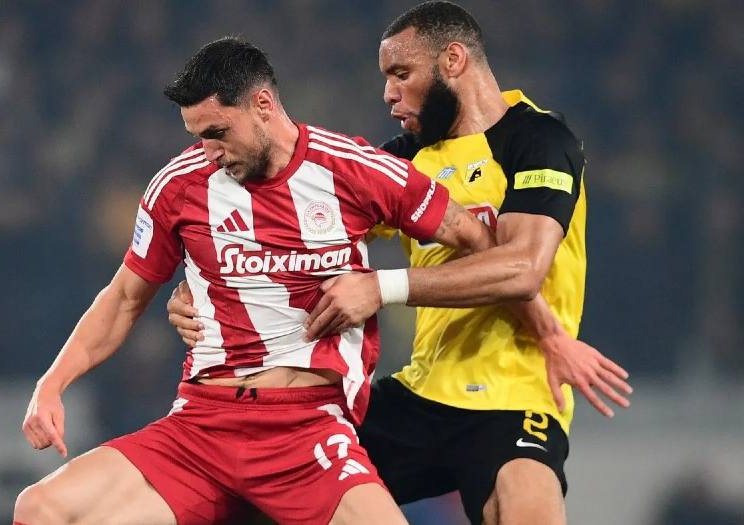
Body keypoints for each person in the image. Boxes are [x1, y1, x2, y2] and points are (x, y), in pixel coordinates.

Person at [13, 35, 575, 525]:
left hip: (304, 430)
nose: (208, 151)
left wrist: (547, 331)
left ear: (263, 105)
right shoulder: (178, 186)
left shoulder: (356, 168)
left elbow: (478, 242)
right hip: (201, 427)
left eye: (218, 132)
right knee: (41, 509)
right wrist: (53, 383)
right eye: (197, 135)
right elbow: (122, 298)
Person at [167, 2, 633, 524]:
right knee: (257, 491)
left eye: (402, 74)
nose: (389, 93)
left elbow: (522, 268)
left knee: (524, 506)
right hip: (421, 390)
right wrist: (199, 289)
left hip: (517, 392)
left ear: (453, 60)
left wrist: (380, 287)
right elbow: (284, 239)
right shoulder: (403, 160)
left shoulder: (539, 141)